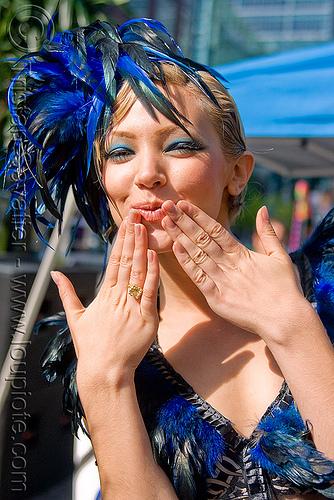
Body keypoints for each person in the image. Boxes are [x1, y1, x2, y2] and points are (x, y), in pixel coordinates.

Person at [3, 18, 334, 500]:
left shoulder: (324, 284)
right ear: (104, 185)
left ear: (237, 173)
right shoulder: (105, 349)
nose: (147, 174)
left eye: (179, 145)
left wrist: (293, 326)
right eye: (119, 152)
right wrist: (104, 382)